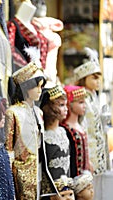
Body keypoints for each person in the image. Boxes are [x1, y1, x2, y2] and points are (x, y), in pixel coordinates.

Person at [5, 61, 50, 199]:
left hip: (38, 168)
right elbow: (8, 147)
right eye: (35, 86)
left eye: (41, 86)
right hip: (20, 171)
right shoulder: (13, 112)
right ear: (25, 87)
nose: (39, 90)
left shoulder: (38, 112)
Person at [74, 47, 108, 175]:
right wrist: (86, 158)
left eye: (99, 78)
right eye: (94, 78)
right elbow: (83, 129)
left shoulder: (94, 98)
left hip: (99, 151)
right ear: (84, 78)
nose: (98, 81)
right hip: (89, 153)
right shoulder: (82, 100)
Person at [39, 83, 70, 196]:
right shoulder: (45, 137)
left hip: (66, 188)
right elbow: (44, 170)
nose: (66, 109)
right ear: (50, 108)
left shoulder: (63, 131)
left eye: (66, 105)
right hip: (53, 192)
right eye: (61, 105)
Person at [60, 85, 92, 177]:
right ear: (70, 104)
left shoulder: (80, 126)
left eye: (84, 102)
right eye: (80, 102)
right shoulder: (66, 129)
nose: (84, 106)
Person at [7, 0, 48, 70]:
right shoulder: (13, 25)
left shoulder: (35, 27)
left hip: (38, 73)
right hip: (22, 73)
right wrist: (28, 68)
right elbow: (10, 50)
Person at [31, 0, 64, 83]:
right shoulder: (29, 29)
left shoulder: (52, 33)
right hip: (36, 76)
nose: (41, 5)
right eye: (36, 2)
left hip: (51, 74)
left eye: (43, 3)